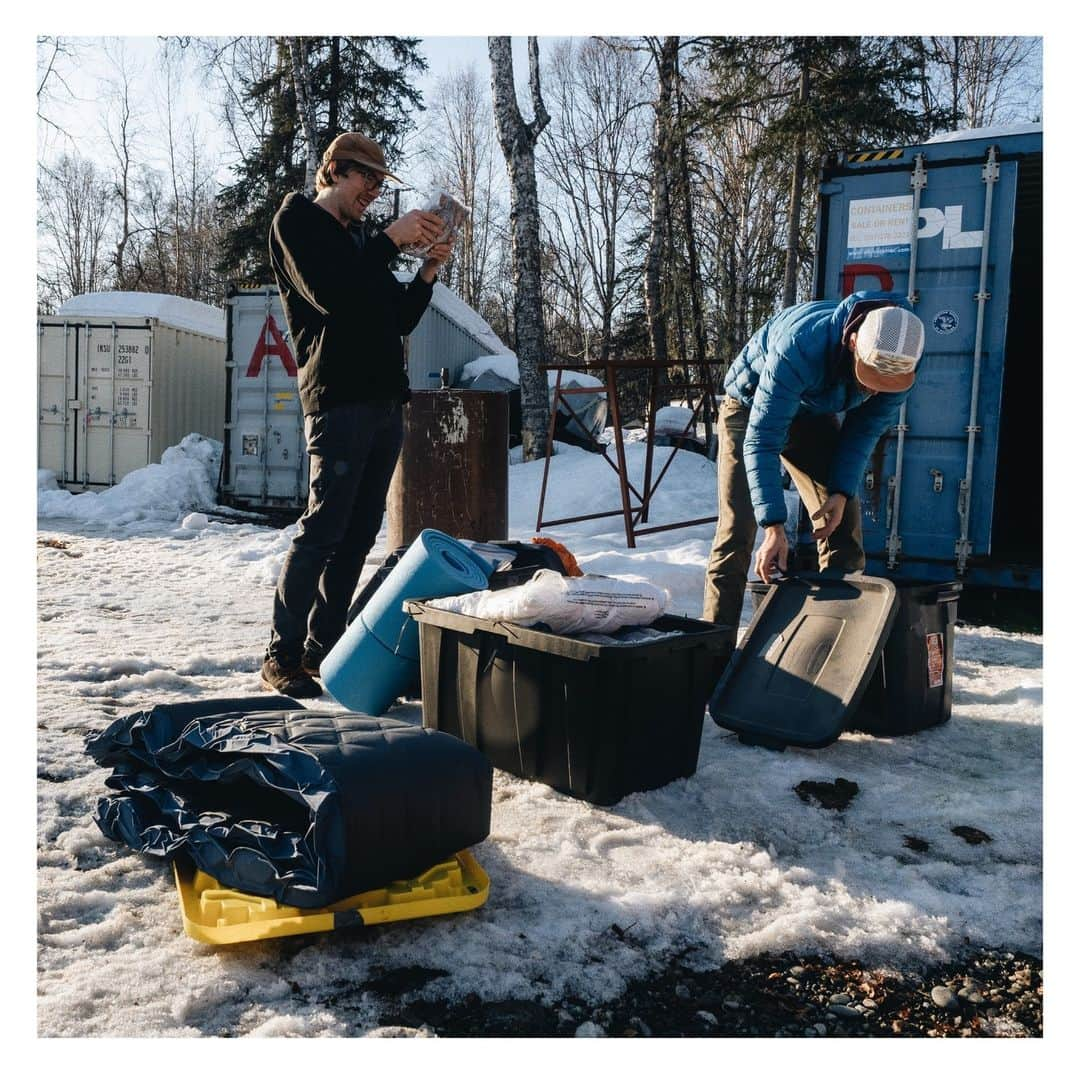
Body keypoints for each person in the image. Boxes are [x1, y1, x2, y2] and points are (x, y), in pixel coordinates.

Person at [260, 132, 453, 697]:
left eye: (379, 184)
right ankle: (282, 655)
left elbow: (396, 318)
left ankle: (324, 651)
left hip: (383, 403)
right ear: (336, 171)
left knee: (359, 533)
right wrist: (391, 242)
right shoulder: (296, 222)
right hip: (337, 401)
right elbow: (334, 297)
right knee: (323, 529)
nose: (374, 192)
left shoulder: (360, 241)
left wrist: (428, 271)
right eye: (367, 180)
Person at [702, 291, 926, 647]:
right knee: (738, 529)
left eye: (881, 385)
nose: (871, 388)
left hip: (811, 413)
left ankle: (835, 651)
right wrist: (774, 526)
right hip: (748, 409)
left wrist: (838, 492)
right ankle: (711, 651)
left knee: (842, 522)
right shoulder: (800, 348)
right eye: (867, 376)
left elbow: (863, 432)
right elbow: (761, 441)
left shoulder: (902, 359)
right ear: (853, 342)